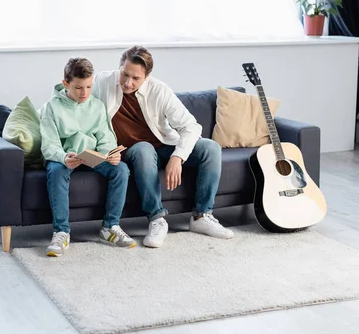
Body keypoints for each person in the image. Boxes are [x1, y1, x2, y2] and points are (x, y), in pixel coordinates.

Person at [92, 45, 234, 248]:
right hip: (134, 151)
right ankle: (156, 219)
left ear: (147, 76)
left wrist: (178, 157)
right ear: (120, 67)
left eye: (136, 78)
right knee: (143, 148)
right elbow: (71, 92)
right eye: (124, 74)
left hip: (165, 146)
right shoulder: (103, 81)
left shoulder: (159, 91)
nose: (127, 82)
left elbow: (191, 126)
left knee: (211, 148)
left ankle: (202, 216)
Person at [40, 57, 136, 257]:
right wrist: (64, 157)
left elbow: (105, 139)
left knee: (121, 169)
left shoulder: (97, 106)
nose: (84, 93)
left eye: (89, 87)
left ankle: (110, 227)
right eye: (78, 88)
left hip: (93, 158)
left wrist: (111, 155)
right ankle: (61, 232)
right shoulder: (52, 107)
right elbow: (49, 145)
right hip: (65, 159)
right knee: (56, 171)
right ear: (66, 84)